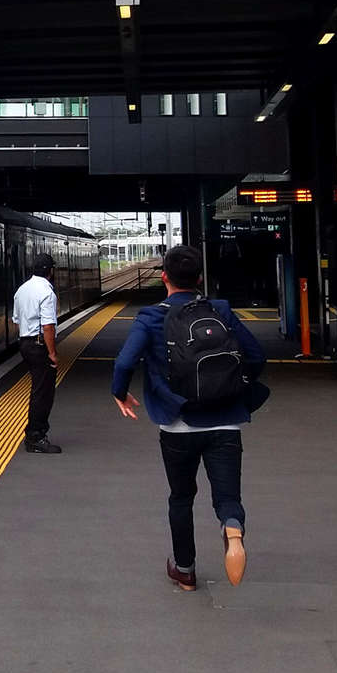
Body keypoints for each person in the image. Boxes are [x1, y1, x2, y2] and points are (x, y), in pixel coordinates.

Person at [112, 244, 269, 590]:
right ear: (199, 278)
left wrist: (120, 394)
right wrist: (233, 388)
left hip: (176, 422)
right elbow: (256, 357)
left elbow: (124, 363)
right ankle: (232, 526)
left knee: (181, 497)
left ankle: (184, 571)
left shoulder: (152, 317)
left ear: (164, 277)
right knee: (228, 498)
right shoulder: (221, 310)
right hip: (226, 421)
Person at [12, 253, 61, 453]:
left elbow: (16, 319)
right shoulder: (47, 292)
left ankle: (34, 432)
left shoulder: (21, 290)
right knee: (43, 393)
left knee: (37, 390)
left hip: (25, 343)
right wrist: (52, 353)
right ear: (50, 271)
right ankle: (35, 436)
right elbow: (48, 326)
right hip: (39, 345)